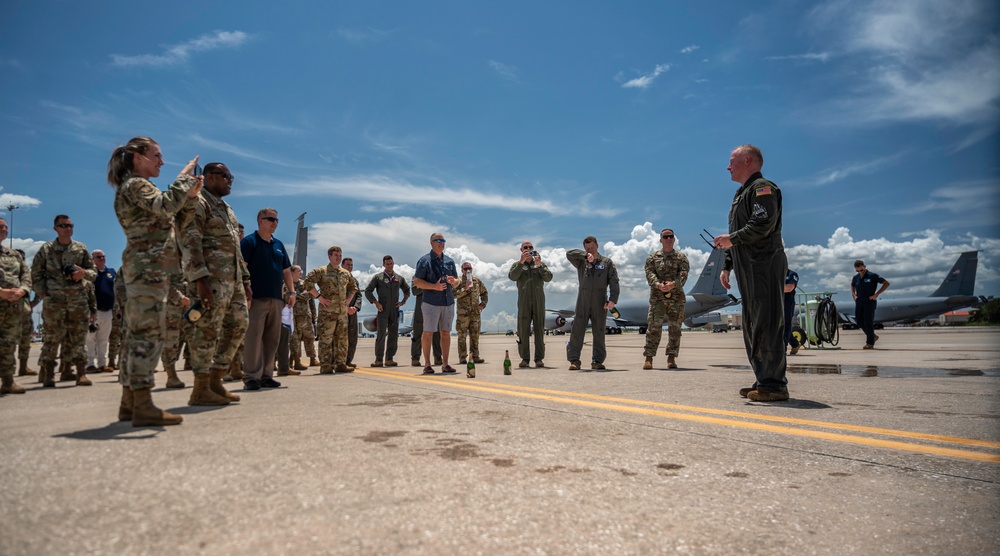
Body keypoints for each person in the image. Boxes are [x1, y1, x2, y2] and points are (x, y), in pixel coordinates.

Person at [107, 136, 201, 426]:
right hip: (146, 269)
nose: (162, 162)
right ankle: (143, 404)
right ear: (138, 157)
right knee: (147, 335)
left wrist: (189, 198)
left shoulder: (140, 188)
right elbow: (164, 206)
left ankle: (128, 403)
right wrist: (184, 178)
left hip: (151, 269)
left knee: (140, 333)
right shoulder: (136, 185)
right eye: (157, 156)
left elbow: (172, 221)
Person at [714, 144, 789, 402]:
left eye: (732, 161)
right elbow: (738, 233)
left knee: (767, 321)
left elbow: (762, 224)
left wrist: (731, 239)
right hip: (748, 266)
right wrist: (727, 265)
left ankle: (774, 384)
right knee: (753, 323)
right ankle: (763, 379)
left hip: (764, 263)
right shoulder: (741, 194)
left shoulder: (762, 188)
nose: (728, 166)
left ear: (747, 160)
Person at [177, 161, 250, 406]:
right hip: (211, 281)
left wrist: (246, 279)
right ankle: (200, 388)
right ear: (208, 177)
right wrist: (200, 280)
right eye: (225, 176)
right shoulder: (198, 203)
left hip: (234, 281)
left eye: (231, 176)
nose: (230, 180)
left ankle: (216, 380)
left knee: (239, 325)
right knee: (206, 332)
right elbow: (191, 241)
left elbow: (234, 247)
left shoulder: (227, 208)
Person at [30, 214, 97, 388]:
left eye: (70, 225)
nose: (68, 228)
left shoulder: (80, 249)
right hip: (54, 301)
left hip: (77, 300)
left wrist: (84, 274)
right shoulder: (46, 250)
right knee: (52, 338)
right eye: (63, 225)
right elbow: (35, 274)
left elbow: (93, 271)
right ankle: (49, 374)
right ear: (55, 228)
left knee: (78, 338)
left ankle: (81, 373)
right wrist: (42, 292)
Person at [240, 208, 295, 391]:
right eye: (270, 219)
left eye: (276, 220)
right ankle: (251, 377)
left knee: (272, 339)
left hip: (276, 299)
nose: (275, 222)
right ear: (260, 221)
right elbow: (242, 269)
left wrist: (292, 292)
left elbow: (286, 271)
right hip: (256, 298)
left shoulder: (278, 245)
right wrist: (246, 292)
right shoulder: (249, 242)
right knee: (254, 338)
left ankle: (266, 375)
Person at [566, 236, 620, 370]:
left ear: (597, 245)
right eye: (587, 248)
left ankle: (597, 361)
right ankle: (574, 360)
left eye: (592, 247)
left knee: (599, 331)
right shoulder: (581, 261)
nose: (590, 250)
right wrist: (585, 256)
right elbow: (569, 254)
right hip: (583, 298)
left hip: (600, 299)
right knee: (577, 330)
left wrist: (613, 299)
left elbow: (614, 281)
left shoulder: (607, 262)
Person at [303, 246, 358, 373]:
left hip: (342, 313)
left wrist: (348, 300)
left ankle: (340, 364)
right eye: (335, 255)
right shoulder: (321, 271)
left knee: (342, 339)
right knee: (326, 339)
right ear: (329, 257)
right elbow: (308, 283)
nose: (338, 258)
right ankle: (326, 365)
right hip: (327, 313)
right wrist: (319, 297)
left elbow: (353, 287)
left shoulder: (345, 273)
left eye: (340, 255)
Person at [643, 229, 689, 370]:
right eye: (665, 237)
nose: (668, 239)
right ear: (661, 239)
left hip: (676, 299)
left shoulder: (681, 258)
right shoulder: (653, 258)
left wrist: (673, 284)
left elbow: (683, 274)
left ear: (674, 239)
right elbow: (649, 273)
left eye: (671, 237)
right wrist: (658, 285)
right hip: (658, 298)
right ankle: (649, 358)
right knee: (654, 328)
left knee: (675, 329)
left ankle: (671, 358)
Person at [413, 233, 458, 374]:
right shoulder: (424, 261)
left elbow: (457, 281)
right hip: (431, 302)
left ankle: (445, 364)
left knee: (446, 332)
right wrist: (434, 286)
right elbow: (417, 281)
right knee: (428, 332)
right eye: (438, 240)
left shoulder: (450, 261)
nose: (441, 243)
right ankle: (427, 364)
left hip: (448, 302)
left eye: (443, 240)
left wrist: (454, 281)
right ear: (431, 242)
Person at [508, 240, 552, 368]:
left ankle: (539, 358)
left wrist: (539, 265)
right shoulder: (517, 265)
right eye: (525, 247)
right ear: (521, 250)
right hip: (524, 301)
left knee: (539, 329)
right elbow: (512, 276)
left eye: (530, 247)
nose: (528, 249)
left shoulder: (540, 264)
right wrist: (521, 263)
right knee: (523, 330)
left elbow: (548, 278)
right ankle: (525, 358)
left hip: (538, 300)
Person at [0, 217, 31, 394]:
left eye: (5, 227)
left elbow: (26, 276)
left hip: (12, 308)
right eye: (0, 227)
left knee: (8, 344)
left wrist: (23, 290)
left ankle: (8, 381)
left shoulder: (14, 255)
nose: (4, 229)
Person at [364, 255, 411, 367]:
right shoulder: (378, 278)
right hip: (382, 310)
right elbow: (368, 291)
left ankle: (389, 358)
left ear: (393, 263)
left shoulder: (398, 278)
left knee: (393, 335)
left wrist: (402, 302)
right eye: (387, 264)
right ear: (383, 265)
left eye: (391, 263)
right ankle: (378, 359)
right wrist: (376, 303)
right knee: (381, 334)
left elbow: (407, 290)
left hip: (394, 310)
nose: (389, 265)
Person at [83, 249, 116, 373]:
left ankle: (102, 364)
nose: (101, 258)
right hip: (93, 312)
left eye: (103, 256)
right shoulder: (89, 274)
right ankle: (90, 364)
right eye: (98, 257)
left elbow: (116, 290)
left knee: (103, 339)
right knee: (90, 339)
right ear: (93, 260)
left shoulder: (111, 273)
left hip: (108, 311)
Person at [454, 261, 488, 365]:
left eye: (470, 268)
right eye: (465, 269)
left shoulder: (476, 281)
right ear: (462, 270)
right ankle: (463, 357)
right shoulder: (458, 281)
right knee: (462, 336)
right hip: (463, 314)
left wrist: (483, 304)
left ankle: (475, 356)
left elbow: (484, 292)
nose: (468, 270)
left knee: (475, 336)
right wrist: (466, 288)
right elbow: (455, 295)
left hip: (475, 314)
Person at [851, 260, 890, 350]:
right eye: (858, 271)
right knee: (859, 321)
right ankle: (873, 336)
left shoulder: (872, 275)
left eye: (861, 270)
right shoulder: (855, 277)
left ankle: (870, 343)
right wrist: (853, 294)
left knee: (868, 321)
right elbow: (852, 285)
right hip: (859, 301)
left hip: (869, 301)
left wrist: (877, 294)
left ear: (864, 266)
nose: (860, 272)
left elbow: (886, 283)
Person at [14, 249, 39, 377]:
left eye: (22, 257)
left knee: (25, 340)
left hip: (24, 310)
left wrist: (34, 302)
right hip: (6, 310)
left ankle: (23, 367)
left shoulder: (27, 274)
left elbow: (37, 288)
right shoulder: (6, 271)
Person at [287, 265, 317, 370]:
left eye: (301, 271)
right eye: (299, 271)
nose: (301, 272)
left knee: (310, 337)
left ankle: (313, 359)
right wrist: (301, 295)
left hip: (306, 315)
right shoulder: (287, 284)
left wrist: (314, 314)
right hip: (293, 316)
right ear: (292, 273)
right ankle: (296, 361)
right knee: (295, 339)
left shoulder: (304, 284)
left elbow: (310, 298)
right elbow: (288, 296)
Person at [409, 285, 442, 366]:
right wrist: (428, 285)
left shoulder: (436, 275)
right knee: (417, 333)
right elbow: (415, 291)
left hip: (435, 307)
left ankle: (438, 357)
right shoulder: (417, 277)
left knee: (436, 333)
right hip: (421, 308)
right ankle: (415, 358)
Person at [342, 257, 363, 368]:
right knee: (340, 337)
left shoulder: (354, 281)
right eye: (348, 265)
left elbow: (359, 295)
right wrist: (346, 308)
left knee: (352, 337)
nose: (350, 267)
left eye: (351, 265)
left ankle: (348, 360)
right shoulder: (338, 279)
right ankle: (338, 361)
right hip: (340, 313)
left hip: (353, 313)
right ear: (342, 266)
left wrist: (355, 307)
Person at [784, 268, 801, 355]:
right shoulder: (772, 273)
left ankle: (782, 347)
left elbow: (789, 288)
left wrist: (773, 289)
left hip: (787, 302)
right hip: (774, 302)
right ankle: (795, 343)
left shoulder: (791, 274)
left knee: (786, 324)